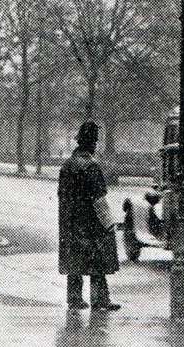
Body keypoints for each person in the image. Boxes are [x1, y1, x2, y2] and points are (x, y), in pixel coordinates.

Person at [58, 121, 120, 311]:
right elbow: (99, 199)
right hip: (90, 222)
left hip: (70, 221)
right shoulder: (92, 166)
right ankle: (100, 299)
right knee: (97, 261)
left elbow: (62, 195)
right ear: (92, 143)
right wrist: (110, 224)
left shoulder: (67, 165)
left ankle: (74, 299)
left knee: (74, 260)